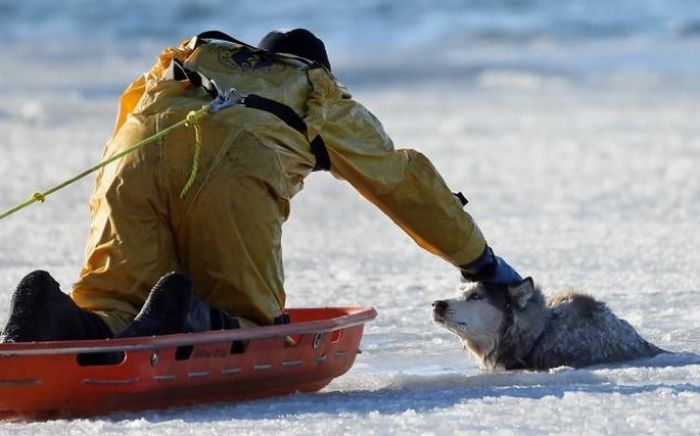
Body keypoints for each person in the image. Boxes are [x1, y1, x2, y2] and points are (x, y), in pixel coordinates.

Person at [0, 29, 521, 343]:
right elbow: (402, 181)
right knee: (250, 320)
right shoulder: (318, 91)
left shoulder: (185, 62)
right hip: (234, 167)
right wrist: (481, 262)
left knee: (116, 303)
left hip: (129, 159)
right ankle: (193, 318)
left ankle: (58, 317)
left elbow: (130, 135)